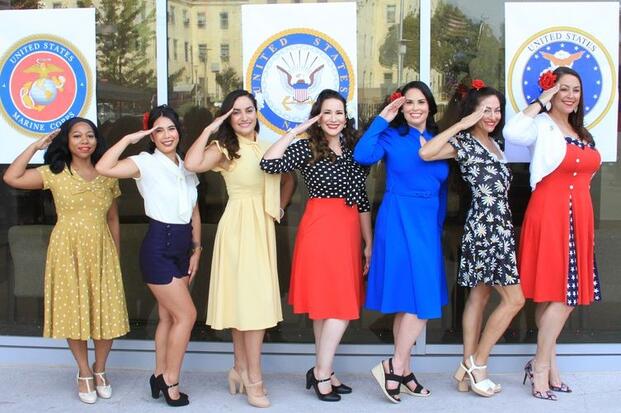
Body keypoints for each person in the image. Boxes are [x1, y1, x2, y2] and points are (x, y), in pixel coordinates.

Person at [3, 117, 129, 404]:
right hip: (67, 250)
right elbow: (12, 177)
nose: (85, 141)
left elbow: (112, 218)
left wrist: (116, 255)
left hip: (102, 250)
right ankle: (84, 371)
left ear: (97, 140)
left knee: (106, 312)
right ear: (67, 141)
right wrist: (36, 146)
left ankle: (100, 369)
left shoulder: (107, 172)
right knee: (74, 312)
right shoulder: (55, 172)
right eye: (77, 136)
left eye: (90, 135)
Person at [260, 89, 372, 402]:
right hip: (320, 228)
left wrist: (369, 242)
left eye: (339, 112)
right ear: (317, 117)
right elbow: (268, 164)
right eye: (327, 113)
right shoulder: (306, 146)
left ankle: (325, 369)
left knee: (328, 307)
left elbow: (362, 198)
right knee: (337, 305)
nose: (333, 118)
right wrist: (295, 131)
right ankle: (321, 373)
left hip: (349, 228)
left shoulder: (353, 147)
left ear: (346, 117)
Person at [184, 90, 294, 408]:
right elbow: (191, 163)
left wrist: (278, 208)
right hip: (238, 228)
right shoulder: (224, 148)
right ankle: (253, 377)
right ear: (227, 117)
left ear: (257, 112)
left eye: (249, 110)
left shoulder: (267, 145)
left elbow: (288, 180)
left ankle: (239, 368)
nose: (244, 116)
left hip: (262, 227)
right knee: (247, 304)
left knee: (250, 303)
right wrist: (210, 128)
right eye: (236, 112)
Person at [419, 80, 525, 397]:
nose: (492, 116)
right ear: (472, 113)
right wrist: (462, 124)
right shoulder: (464, 142)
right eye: (485, 110)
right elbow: (426, 152)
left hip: (499, 227)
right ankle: (478, 364)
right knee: (515, 300)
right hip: (484, 228)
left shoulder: (496, 142)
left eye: (497, 110)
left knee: (479, 296)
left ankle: (467, 368)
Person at [504, 66, 601, 401]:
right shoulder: (541, 125)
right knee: (559, 294)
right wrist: (540, 101)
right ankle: (541, 366)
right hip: (550, 211)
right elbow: (512, 132)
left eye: (576, 89)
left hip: (579, 215)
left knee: (559, 294)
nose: (570, 95)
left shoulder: (582, 131)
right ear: (552, 92)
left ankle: (548, 365)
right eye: (563, 88)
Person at [96, 105, 201, 407]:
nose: (167, 135)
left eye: (171, 128)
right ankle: (171, 380)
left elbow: (194, 210)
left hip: (183, 247)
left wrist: (196, 249)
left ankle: (158, 374)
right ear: (151, 136)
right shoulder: (144, 162)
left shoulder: (186, 165)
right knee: (187, 315)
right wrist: (129, 139)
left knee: (168, 316)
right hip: (159, 247)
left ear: (179, 131)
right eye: (159, 130)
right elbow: (104, 167)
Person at [353, 81, 448, 403]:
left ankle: (402, 370)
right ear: (400, 108)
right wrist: (383, 118)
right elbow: (362, 154)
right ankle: (394, 366)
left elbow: (442, 190)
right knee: (417, 299)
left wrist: (437, 228)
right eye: (408, 103)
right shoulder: (392, 136)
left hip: (427, 224)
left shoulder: (439, 139)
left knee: (413, 299)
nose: (415, 108)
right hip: (398, 219)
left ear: (430, 106)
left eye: (421, 102)